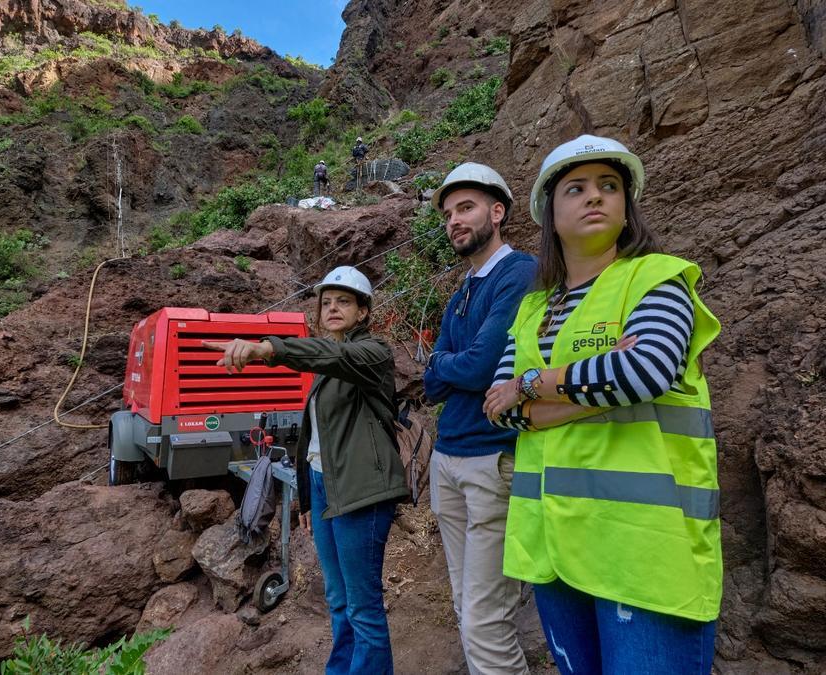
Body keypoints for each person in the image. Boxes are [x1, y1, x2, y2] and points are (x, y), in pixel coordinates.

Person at [482, 134, 722, 674]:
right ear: (550, 212)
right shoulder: (533, 308)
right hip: (556, 552)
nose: (595, 197)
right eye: (578, 188)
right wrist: (587, 386)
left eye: (609, 186)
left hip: (644, 552)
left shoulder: (656, 278)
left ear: (626, 205)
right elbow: (500, 408)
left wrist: (533, 381)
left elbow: (648, 369)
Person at [205, 265, 408, 675]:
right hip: (323, 484)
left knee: (362, 604)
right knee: (337, 598)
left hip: (361, 488)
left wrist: (267, 349)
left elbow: (333, 354)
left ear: (363, 312)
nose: (332, 308)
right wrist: (304, 499)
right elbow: (315, 438)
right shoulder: (325, 366)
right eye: (326, 302)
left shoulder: (372, 354)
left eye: (344, 302)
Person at [422, 162, 535, 675]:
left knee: (486, 619)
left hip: (493, 460)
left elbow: (479, 365)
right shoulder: (462, 291)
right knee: (466, 604)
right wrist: (451, 366)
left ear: (497, 211)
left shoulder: (520, 273)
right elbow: (433, 384)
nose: (454, 221)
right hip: (447, 459)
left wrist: (448, 363)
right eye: (448, 213)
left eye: (465, 208)